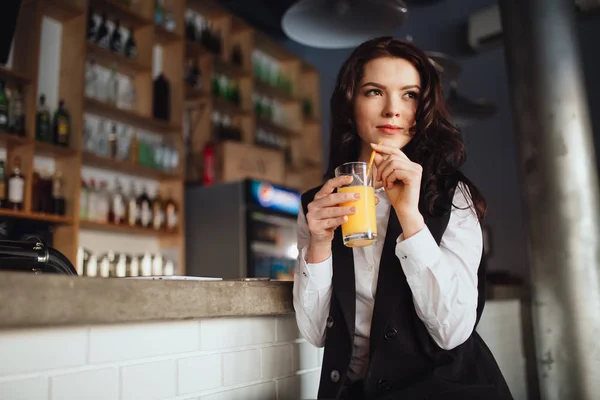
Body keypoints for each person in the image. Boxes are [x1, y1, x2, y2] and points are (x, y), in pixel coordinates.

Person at [293, 37, 513, 400]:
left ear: (423, 106)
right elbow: (317, 334)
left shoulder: (451, 196)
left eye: (409, 94)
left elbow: (453, 332)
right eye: (374, 91)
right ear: (350, 103)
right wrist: (318, 245)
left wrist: (409, 216)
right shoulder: (317, 206)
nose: (393, 109)